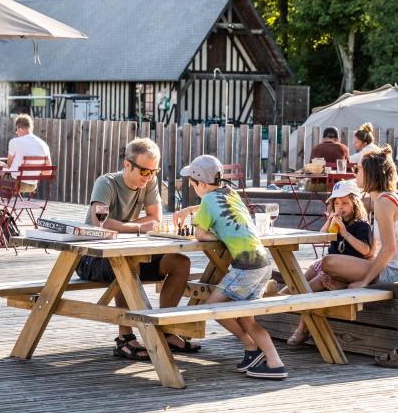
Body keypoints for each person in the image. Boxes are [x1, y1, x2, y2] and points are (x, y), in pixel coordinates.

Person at [75, 138, 196, 359]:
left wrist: (123, 226)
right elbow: (99, 222)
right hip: (90, 257)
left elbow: (156, 218)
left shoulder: (148, 183)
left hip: (131, 251)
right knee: (129, 264)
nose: (148, 177)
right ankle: (125, 338)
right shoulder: (106, 183)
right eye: (144, 171)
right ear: (127, 165)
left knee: (180, 262)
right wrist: (137, 228)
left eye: (153, 171)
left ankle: (166, 331)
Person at [173, 154, 286, 379]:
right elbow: (218, 206)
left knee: (213, 307)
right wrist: (189, 211)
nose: (190, 186)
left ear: (202, 184)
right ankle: (273, 361)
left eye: (192, 183)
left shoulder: (207, 201)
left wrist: (212, 230)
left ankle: (251, 347)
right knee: (246, 318)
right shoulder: (230, 193)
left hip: (245, 266)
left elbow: (200, 234)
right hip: (263, 262)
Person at [284, 179, 374, 347]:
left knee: (309, 288)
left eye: (345, 203)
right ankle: (280, 297)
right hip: (326, 265)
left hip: (344, 271)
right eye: (336, 203)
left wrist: (345, 233)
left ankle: (301, 328)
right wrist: (329, 221)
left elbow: (365, 250)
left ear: (355, 204)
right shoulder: (336, 221)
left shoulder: (361, 225)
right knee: (299, 280)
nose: (340, 207)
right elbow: (320, 236)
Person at [321, 147, 398, 288]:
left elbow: (390, 248)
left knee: (328, 262)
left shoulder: (384, 202)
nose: (355, 174)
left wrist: (364, 282)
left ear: (370, 174)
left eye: (357, 170)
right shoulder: (382, 199)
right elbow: (372, 250)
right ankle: (342, 285)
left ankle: (345, 285)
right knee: (327, 266)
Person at [6, 114, 51, 192]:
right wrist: (34, 169)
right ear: (31, 128)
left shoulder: (14, 142)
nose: (16, 133)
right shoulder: (44, 145)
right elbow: (48, 172)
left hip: (16, 183)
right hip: (32, 185)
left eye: (16, 130)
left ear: (19, 128)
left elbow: (9, 165)